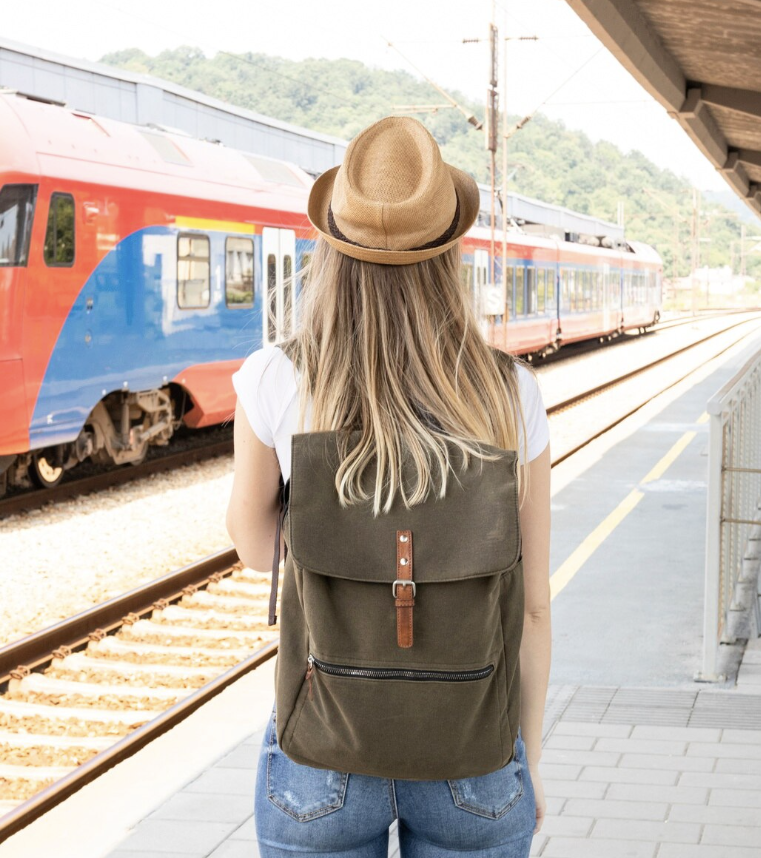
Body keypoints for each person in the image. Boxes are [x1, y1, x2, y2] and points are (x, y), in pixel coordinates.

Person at [226, 115, 553, 857]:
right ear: (449, 254)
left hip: (322, 752)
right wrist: (526, 759)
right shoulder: (511, 393)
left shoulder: (276, 378)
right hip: (475, 750)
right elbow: (533, 611)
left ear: (332, 251)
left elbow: (254, 549)